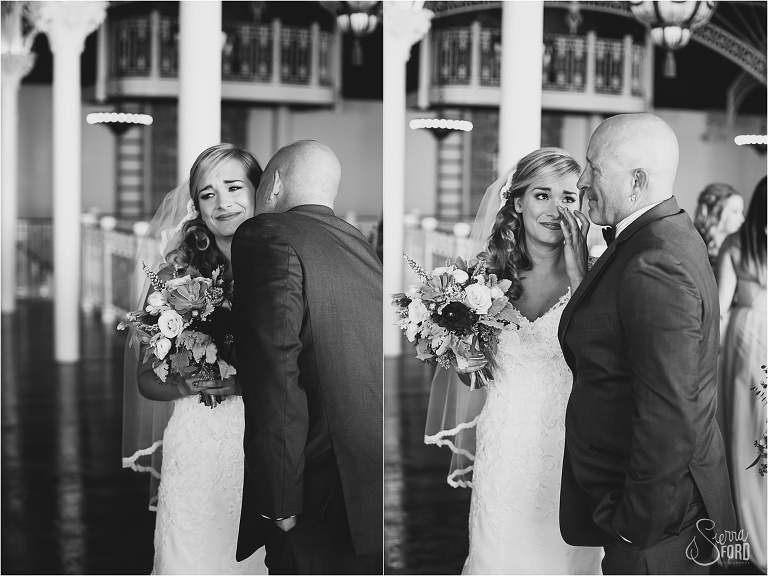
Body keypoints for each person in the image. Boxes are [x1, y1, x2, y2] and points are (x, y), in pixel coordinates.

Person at [558, 113, 737, 574]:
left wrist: (635, 526)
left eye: (594, 168)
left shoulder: (655, 259)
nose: (582, 181)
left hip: (660, 531)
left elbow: (668, 414)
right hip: (668, 512)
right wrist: (583, 280)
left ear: (636, 182)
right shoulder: (664, 231)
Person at [425, 147, 603, 574]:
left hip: (575, 448)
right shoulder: (481, 279)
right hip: (504, 447)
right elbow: (473, 378)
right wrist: (463, 361)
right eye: (542, 195)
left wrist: (580, 275)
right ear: (518, 202)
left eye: (568, 197)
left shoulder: (600, 275)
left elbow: (604, 359)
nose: (555, 209)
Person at [232, 140, 383, 574]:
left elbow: (277, 373)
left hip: (313, 488)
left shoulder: (265, 233)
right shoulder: (357, 243)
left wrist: (279, 499)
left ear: (275, 184)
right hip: (366, 485)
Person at [122, 143, 268, 574]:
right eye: (208, 193)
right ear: (197, 207)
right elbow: (145, 380)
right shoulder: (175, 278)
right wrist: (184, 383)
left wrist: (245, 382)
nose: (222, 202)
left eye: (234, 187)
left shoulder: (284, 267)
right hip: (197, 447)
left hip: (267, 442)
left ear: (260, 191)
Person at [716, 176, 767, 573]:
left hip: (747, 336)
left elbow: (720, 308)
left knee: (745, 430)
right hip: (756, 336)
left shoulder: (737, 242)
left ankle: (748, 536)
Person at [693, 183, 744, 268]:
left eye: (741, 212)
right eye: (735, 211)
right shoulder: (694, 246)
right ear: (716, 213)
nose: (742, 219)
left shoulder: (738, 246)